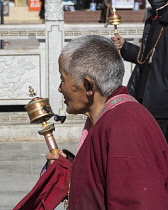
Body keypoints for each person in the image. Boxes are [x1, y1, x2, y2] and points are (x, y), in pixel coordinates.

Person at [46, 35, 168, 209]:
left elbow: (136, 202)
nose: (60, 88)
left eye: (63, 80)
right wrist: (74, 170)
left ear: (88, 86)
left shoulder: (124, 128)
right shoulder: (109, 118)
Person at [111, 0, 168, 142]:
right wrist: (124, 46)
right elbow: (145, 58)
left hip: (162, 101)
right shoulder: (153, 20)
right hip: (145, 95)